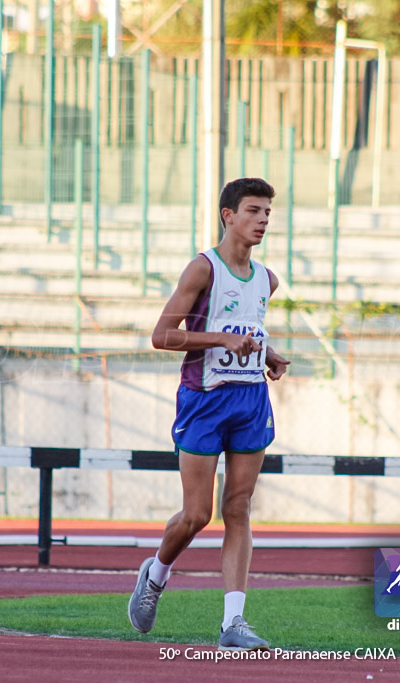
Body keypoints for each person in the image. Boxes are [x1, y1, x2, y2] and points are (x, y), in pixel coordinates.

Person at [127, 178, 290, 652]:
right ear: (228, 215)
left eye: (267, 213)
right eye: (254, 211)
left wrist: (268, 354)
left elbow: (249, 329)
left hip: (250, 399)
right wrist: (220, 339)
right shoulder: (203, 270)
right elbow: (162, 335)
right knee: (197, 514)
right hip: (203, 401)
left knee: (237, 507)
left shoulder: (267, 279)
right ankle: (155, 574)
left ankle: (233, 622)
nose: (262, 220)